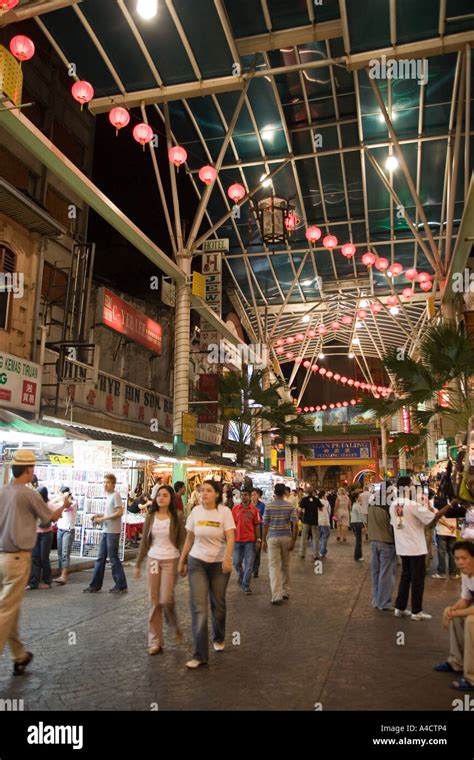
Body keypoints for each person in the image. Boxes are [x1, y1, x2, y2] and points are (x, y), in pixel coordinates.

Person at [0, 450, 68, 675]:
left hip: (2, 557)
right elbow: (50, 518)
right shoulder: (28, 494)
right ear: (28, 469)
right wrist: (64, 503)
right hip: (18, 558)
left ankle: (19, 655)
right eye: (33, 468)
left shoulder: (3, 491)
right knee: (6, 610)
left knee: (11, 608)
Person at [178, 480, 235, 669]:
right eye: (202, 491)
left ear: (217, 494)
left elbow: (230, 536)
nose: (204, 493)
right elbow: (189, 538)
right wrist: (182, 560)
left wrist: (228, 557)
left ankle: (218, 636)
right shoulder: (195, 512)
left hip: (219, 564)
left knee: (217, 604)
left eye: (208, 491)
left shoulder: (224, 512)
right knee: (199, 607)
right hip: (197, 562)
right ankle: (200, 654)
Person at [390, 476, 452, 621]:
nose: (414, 487)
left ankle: (400, 607)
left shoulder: (394, 505)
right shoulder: (412, 505)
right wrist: (450, 505)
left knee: (406, 577)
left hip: (403, 547)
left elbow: (394, 524)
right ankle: (416, 611)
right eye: (412, 485)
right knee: (417, 579)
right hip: (416, 548)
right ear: (406, 487)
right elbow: (433, 517)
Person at [134, 485, 186, 655]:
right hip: (153, 559)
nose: (161, 498)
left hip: (171, 559)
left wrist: (184, 562)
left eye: (165, 495)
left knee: (166, 599)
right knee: (154, 601)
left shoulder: (177, 516)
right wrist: (138, 564)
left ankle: (174, 625)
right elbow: (144, 543)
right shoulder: (151, 516)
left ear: (171, 498)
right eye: (158, 495)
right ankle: (155, 641)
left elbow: (183, 541)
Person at [434, 541, 474, 691]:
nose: (460, 562)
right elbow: (465, 599)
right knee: (455, 616)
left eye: (464, 558)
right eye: (457, 558)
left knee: (471, 621)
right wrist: (451, 610)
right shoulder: (466, 574)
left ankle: (471, 678)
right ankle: (456, 662)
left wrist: (456, 612)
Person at [83, 473, 128, 594]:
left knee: (113, 558)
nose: (105, 485)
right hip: (106, 530)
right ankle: (95, 585)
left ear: (113, 484)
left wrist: (102, 519)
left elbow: (119, 512)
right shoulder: (108, 497)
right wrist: (99, 516)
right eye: (104, 482)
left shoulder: (116, 495)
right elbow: (110, 513)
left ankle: (121, 584)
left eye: (107, 482)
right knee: (100, 558)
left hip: (113, 531)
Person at [263, 483, 298, 605]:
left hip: (273, 538)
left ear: (274, 492)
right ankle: (285, 591)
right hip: (286, 537)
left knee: (274, 566)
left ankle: (276, 596)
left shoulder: (269, 506)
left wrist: (263, 540)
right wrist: (293, 540)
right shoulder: (289, 506)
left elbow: (265, 524)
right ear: (284, 493)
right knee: (286, 565)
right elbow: (295, 524)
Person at [368, 482, 396, 610]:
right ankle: (384, 602)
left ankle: (376, 599)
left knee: (376, 572)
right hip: (386, 542)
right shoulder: (389, 505)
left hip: (373, 541)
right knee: (386, 573)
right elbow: (393, 526)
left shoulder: (372, 502)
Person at [26, 487, 57, 590]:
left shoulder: (49, 505)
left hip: (46, 534)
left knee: (44, 558)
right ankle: (33, 583)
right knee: (35, 558)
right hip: (35, 533)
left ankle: (47, 581)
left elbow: (54, 517)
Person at [232, 489, 260, 594]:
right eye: (242, 495)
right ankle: (241, 575)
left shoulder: (254, 510)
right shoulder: (235, 509)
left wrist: (258, 539)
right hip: (237, 540)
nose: (243, 497)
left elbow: (257, 525)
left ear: (249, 496)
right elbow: (231, 525)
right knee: (236, 562)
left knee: (249, 564)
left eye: (245, 495)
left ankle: (246, 586)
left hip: (250, 541)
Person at [54, 486, 77, 586]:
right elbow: (52, 504)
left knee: (65, 553)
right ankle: (61, 573)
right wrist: (59, 497)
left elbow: (67, 507)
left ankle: (64, 575)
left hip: (68, 530)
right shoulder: (61, 502)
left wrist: (65, 498)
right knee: (60, 553)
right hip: (60, 529)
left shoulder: (73, 502)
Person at [432, 495, 458, 579]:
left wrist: (447, 525)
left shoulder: (438, 503)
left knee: (441, 552)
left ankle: (442, 573)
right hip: (452, 531)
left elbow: (437, 517)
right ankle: (453, 573)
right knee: (451, 552)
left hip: (442, 531)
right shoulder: (455, 504)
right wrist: (453, 525)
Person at [298, 487, 321, 561]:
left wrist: (299, 515)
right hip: (314, 520)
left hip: (306, 520)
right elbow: (321, 508)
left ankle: (302, 553)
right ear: (313, 492)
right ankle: (316, 554)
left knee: (304, 536)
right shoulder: (316, 499)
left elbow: (300, 509)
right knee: (315, 537)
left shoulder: (304, 499)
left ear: (306, 492)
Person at [251, 488, 265, 578]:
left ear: (258, 496)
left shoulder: (262, 505)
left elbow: (264, 518)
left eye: (255, 495)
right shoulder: (247, 505)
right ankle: (249, 568)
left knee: (257, 550)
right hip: (249, 528)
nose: (253, 497)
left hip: (259, 528)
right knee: (249, 549)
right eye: (251, 495)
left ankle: (255, 570)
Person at [350, 494, 366, 562]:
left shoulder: (355, 505)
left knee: (358, 540)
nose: (361, 497)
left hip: (354, 523)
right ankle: (358, 556)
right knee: (358, 540)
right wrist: (365, 523)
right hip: (357, 523)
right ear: (357, 498)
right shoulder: (357, 505)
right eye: (359, 496)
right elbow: (361, 515)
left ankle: (358, 555)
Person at [318, 491, 331, 558]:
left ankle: (320, 550)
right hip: (325, 521)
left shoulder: (317, 501)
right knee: (325, 537)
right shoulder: (326, 502)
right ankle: (322, 551)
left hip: (318, 521)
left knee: (319, 537)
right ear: (323, 495)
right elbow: (329, 511)